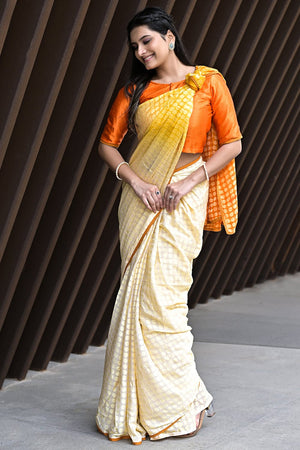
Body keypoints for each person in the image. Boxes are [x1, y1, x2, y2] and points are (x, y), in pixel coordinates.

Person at [95, 6, 242, 445]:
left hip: (184, 196)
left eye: (147, 41)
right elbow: (107, 145)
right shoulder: (133, 92)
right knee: (138, 302)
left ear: (170, 37)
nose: (141, 51)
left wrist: (192, 179)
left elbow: (233, 142)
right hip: (140, 199)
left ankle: (179, 405)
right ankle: (152, 403)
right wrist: (136, 182)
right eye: (135, 46)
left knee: (166, 303)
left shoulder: (206, 82)